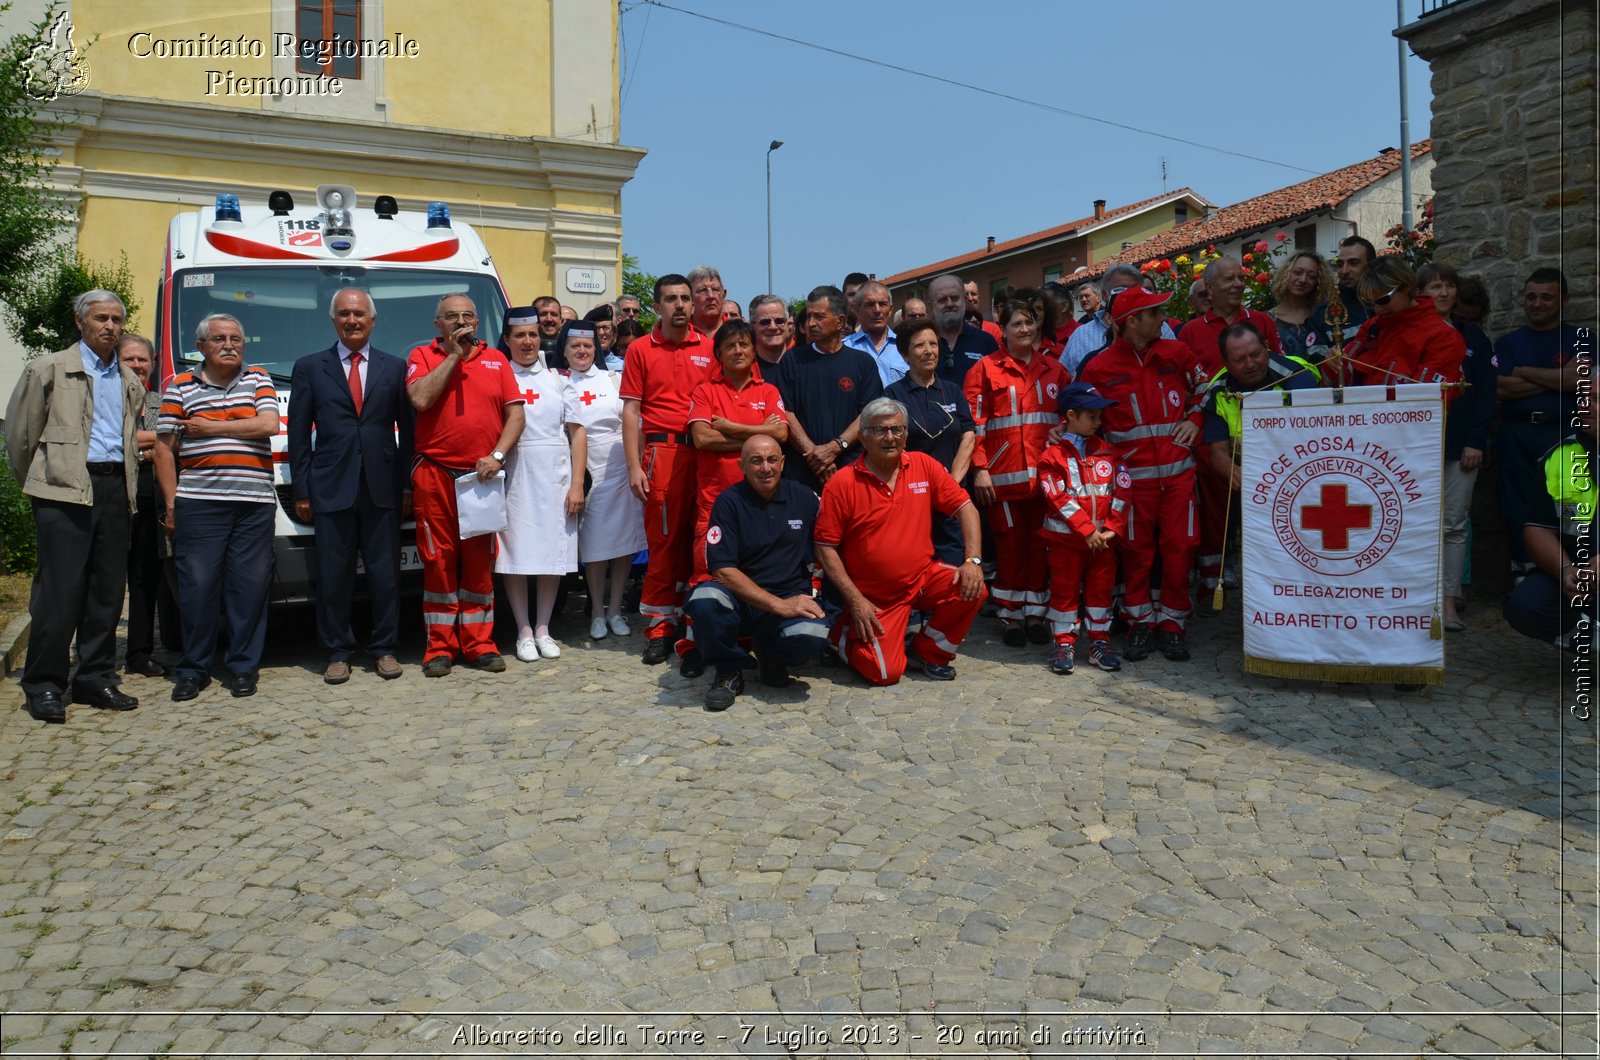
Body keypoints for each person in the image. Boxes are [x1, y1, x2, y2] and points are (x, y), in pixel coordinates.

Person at [5, 290, 143, 723]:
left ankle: (94, 677)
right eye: (101, 318)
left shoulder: (127, 378)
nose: (110, 327)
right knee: (59, 592)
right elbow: (21, 437)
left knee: (106, 592)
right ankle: (44, 684)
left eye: (117, 320)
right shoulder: (50, 368)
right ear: (80, 322)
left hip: (114, 486)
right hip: (63, 490)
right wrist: (43, 482)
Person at [287, 287, 413, 685]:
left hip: (383, 487)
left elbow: (408, 433)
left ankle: (385, 648)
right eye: (344, 314)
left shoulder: (394, 368)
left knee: (385, 575)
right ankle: (337, 651)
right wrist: (302, 490)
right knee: (333, 575)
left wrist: (408, 486)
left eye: (359, 314)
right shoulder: (310, 367)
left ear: (373, 320)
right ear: (333, 320)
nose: (352, 320)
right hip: (330, 486)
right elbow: (297, 434)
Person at [814, 398, 987, 686]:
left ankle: (926, 652)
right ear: (864, 437)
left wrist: (973, 561)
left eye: (897, 430)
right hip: (877, 599)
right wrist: (856, 601)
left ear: (906, 435)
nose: (890, 437)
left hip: (922, 579)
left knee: (973, 588)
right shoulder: (842, 483)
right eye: (881, 431)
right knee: (885, 674)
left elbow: (966, 507)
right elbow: (824, 547)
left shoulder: (923, 465)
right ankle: (840, 635)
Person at [1076, 287, 1208, 662]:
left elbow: (1206, 389)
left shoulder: (1176, 352)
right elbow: (1081, 417)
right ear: (1132, 321)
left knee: (1179, 551)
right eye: (1154, 312)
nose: (1163, 317)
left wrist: (1195, 420)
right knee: (1136, 556)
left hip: (1179, 478)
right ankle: (1139, 626)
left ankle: (1172, 626)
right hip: (1132, 484)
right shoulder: (1098, 367)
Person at [155, 313, 281, 701]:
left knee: (249, 589)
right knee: (197, 588)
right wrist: (172, 503)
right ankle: (194, 669)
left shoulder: (258, 378)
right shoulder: (179, 386)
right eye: (219, 339)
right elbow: (164, 447)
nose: (229, 345)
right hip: (199, 503)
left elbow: (269, 425)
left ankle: (242, 667)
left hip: (253, 503)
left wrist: (208, 428)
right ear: (201, 347)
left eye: (236, 339)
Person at [406, 293, 527, 677]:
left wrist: (498, 455)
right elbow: (421, 399)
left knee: (479, 562)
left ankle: (480, 643)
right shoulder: (421, 357)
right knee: (438, 561)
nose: (461, 322)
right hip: (435, 472)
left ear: (477, 322)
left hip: (481, 477)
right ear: (437, 324)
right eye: (452, 317)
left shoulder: (497, 360)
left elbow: (516, 417)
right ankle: (439, 647)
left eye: (468, 316)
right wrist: (455, 355)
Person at [682, 436, 831, 711]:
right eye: (756, 461)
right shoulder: (728, 502)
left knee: (814, 635)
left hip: (788, 595)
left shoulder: (804, 498)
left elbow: (829, 544)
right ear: (742, 466)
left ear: (783, 463)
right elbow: (723, 571)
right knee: (703, 600)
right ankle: (728, 671)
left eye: (772, 459)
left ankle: (771, 655)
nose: (766, 468)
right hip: (741, 599)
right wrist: (779, 605)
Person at [964, 291, 1070, 645]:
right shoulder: (984, 369)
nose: (1024, 328)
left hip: (1045, 479)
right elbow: (974, 426)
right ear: (1003, 330)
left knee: (1041, 546)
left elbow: (1071, 418)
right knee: (1010, 547)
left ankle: (1036, 614)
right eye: (1016, 323)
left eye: (1029, 322)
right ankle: (1010, 617)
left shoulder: (1055, 369)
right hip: (1002, 480)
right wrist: (979, 469)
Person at [620, 274, 716, 663]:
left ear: (693, 305)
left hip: (704, 454)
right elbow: (631, 410)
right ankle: (660, 628)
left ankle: (694, 624)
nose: (679, 305)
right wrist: (633, 466)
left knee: (701, 543)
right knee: (662, 544)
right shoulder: (641, 349)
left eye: (684, 298)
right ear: (656, 307)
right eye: (670, 299)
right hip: (662, 454)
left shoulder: (709, 348)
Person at [497, 313, 587, 661]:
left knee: (552, 554)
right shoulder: (499, 375)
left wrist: (577, 483)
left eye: (533, 335)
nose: (528, 342)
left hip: (555, 474)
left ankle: (544, 627)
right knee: (515, 553)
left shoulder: (557, 379)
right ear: (507, 339)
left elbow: (577, 432)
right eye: (520, 335)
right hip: (516, 473)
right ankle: (522, 629)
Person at [1494, 267, 1588, 584]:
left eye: (1546, 297)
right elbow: (1500, 388)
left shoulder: (1581, 339)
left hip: (1564, 432)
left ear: (1564, 300)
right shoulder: (1508, 342)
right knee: (1517, 503)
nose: (1537, 303)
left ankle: (1570, 572)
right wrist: (1560, 380)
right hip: (1516, 432)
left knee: (1567, 504)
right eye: (1531, 297)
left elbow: (1581, 382)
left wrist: (1522, 371)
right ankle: (1525, 573)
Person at [1418, 262, 1496, 630]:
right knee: (1417, 525)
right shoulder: (1410, 336)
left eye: (1449, 286)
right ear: (1421, 294)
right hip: (1417, 446)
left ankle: (1448, 602)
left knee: (1453, 525)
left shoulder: (1474, 338)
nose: (1444, 293)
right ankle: (1419, 599)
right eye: (1435, 287)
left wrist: (1476, 441)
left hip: (1460, 445)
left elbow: (1486, 395)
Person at [1037, 383, 1130, 675]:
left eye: (1100, 415)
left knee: (1101, 591)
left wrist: (1111, 529)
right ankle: (1063, 643)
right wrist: (1087, 530)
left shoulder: (1110, 453)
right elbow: (1057, 498)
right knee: (1064, 592)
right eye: (1091, 416)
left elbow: (1123, 491)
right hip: (1068, 542)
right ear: (1071, 415)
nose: (1098, 422)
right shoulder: (1051, 458)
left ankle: (1099, 642)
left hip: (1103, 543)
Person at [687, 320, 788, 587]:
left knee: (759, 571)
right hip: (714, 500)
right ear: (718, 354)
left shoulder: (768, 391)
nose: (738, 351)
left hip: (760, 501)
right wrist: (759, 434)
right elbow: (702, 438)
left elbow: (780, 435)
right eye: (729, 346)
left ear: (754, 350)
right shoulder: (705, 391)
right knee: (709, 574)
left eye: (744, 344)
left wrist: (732, 428)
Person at [566, 313, 646, 642]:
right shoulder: (561, 382)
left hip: (619, 467)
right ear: (566, 350)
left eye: (587, 345)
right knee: (596, 547)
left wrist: (636, 464)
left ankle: (615, 610)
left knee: (624, 546)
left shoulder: (614, 378)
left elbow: (634, 419)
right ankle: (597, 611)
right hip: (589, 471)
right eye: (575, 346)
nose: (582, 351)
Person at [1504, 367, 1596, 649]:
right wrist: (1565, 569)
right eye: (1583, 397)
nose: (1585, 405)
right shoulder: (1560, 456)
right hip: (1582, 572)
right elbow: (1537, 527)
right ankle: (1588, 640)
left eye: (1597, 399)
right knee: (1525, 605)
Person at [774, 285, 884, 493]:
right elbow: (785, 412)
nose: (811, 323)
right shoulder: (792, 360)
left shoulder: (863, 363)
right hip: (802, 476)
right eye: (808, 316)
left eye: (819, 317)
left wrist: (835, 448)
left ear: (840, 321)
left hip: (852, 473)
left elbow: (869, 414)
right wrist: (814, 455)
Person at [885, 316, 975, 565]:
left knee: (951, 564)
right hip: (912, 497)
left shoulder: (953, 390)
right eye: (919, 346)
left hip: (952, 494)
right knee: (915, 562)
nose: (929, 351)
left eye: (933, 344)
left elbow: (968, 434)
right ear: (905, 355)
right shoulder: (893, 394)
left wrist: (951, 483)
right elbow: (890, 445)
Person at [117, 333, 171, 680]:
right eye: (129, 359)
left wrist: (149, 447)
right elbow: (105, 436)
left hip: (150, 502)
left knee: (144, 578)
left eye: (143, 360)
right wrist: (151, 446)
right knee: (102, 581)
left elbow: (176, 438)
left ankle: (139, 652)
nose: (137, 366)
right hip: (111, 497)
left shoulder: (160, 402)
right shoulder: (106, 397)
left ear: (153, 364)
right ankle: (95, 654)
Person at [1339, 258, 1466, 389]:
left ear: (1406, 287)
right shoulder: (1374, 325)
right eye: (1369, 303)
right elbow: (1338, 381)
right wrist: (1334, 364)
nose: (1377, 309)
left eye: (1383, 300)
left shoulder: (1444, 337)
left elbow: (1427, 399)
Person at [1060, 265, 1177, 378]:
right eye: (1122, 290)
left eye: (1136, 290)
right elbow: (1063, 382)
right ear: (1105, 295)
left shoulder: (1160, 328)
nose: (1131, 296)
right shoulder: (1080, 336)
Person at [1177, 257, 1282, 376]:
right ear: (1210, 288)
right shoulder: (1190, 332)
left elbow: (1280, 364)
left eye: (1241, 278)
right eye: (1229, 279)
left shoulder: (1262, 320)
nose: (1239, 284)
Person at [1306, 235, 1376, 356]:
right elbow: (1314, 358)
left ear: (1371, 266)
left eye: (1353, 263)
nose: (1344, 271)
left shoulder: (1389, 303)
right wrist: (1327, 359)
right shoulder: (1324, 314)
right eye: (1340, 264)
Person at [926, 274, 999, 381]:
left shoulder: (985, 342)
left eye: (955, 298)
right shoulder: (922, 345)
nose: (949, 304)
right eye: (942, 299)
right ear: (931, 305)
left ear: (964, 301)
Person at [1267, 252, 1334, 362]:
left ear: (1318, 282)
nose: (1303, 280)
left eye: (1311, 276)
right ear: (1286, 274)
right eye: (1297, 272)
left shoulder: (1323, 317)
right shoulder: (1267, 320)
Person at [843, 281, 908, 387]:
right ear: (857, 311)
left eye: (882, 304)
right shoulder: (844, 349)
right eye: (870, 304)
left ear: (891, 310)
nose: (877, 310)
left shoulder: (906, 346)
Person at [748, 294, 791, 367]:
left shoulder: (803, 365)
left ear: (788, 324)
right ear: (752, 326)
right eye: (765, 322)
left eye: (779, 321)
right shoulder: (744, 370)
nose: (773, 327)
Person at [688, 266, 727, 338]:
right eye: (702, 290)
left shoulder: (738, 332)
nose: (711, 296)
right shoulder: (680, 332)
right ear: (689, 298)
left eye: (715, 290)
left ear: (723, 295)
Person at [533, 296, 565, 366]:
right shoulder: (525, 351)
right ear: (533, 319)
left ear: (561, 321)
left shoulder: (569, 351)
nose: (549, 319)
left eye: (554, 314)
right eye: (543, 314)